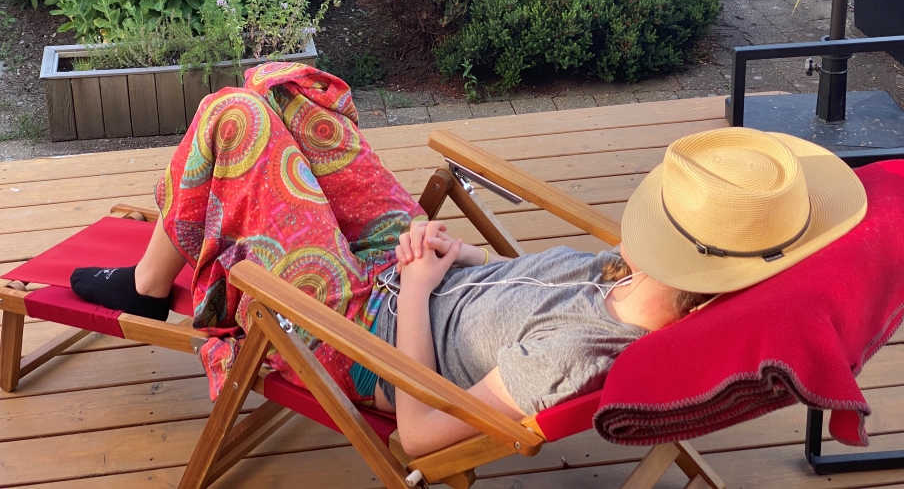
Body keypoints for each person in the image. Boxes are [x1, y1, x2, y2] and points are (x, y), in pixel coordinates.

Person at [71, 63, 867, 457]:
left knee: (234, 117)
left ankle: (147, 283)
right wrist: (442, 254)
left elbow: (417, 432)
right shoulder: (626, 280)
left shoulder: (577, 350)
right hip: (419, 270)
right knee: (284, 93)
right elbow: (498, 296)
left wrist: (416, 291)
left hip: (364, 331)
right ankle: (162, 258)